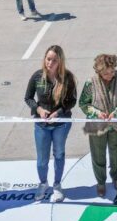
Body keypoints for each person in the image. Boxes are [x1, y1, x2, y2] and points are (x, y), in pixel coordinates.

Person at [24, 45, 77, 203]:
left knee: (59, 154)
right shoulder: (37, 77)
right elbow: (28, 98)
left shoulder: (67, 78)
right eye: (48, 59)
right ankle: (43, 183)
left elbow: (72, 101)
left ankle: (57, 185)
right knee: (42, 159)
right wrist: (38, 109)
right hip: (41, 124)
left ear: (60, 61)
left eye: (54, 60)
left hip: (61, 123)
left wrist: (58, 113)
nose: (50, 62)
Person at [80, 54, 117, 198]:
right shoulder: (90, 82)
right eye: (106, 73)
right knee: (98, 154)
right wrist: (96, 113)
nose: (110, 75)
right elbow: (83, 103)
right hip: (97, 125)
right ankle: (101, 182)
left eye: (112, 71)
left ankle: (116, 177)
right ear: (99, 71)